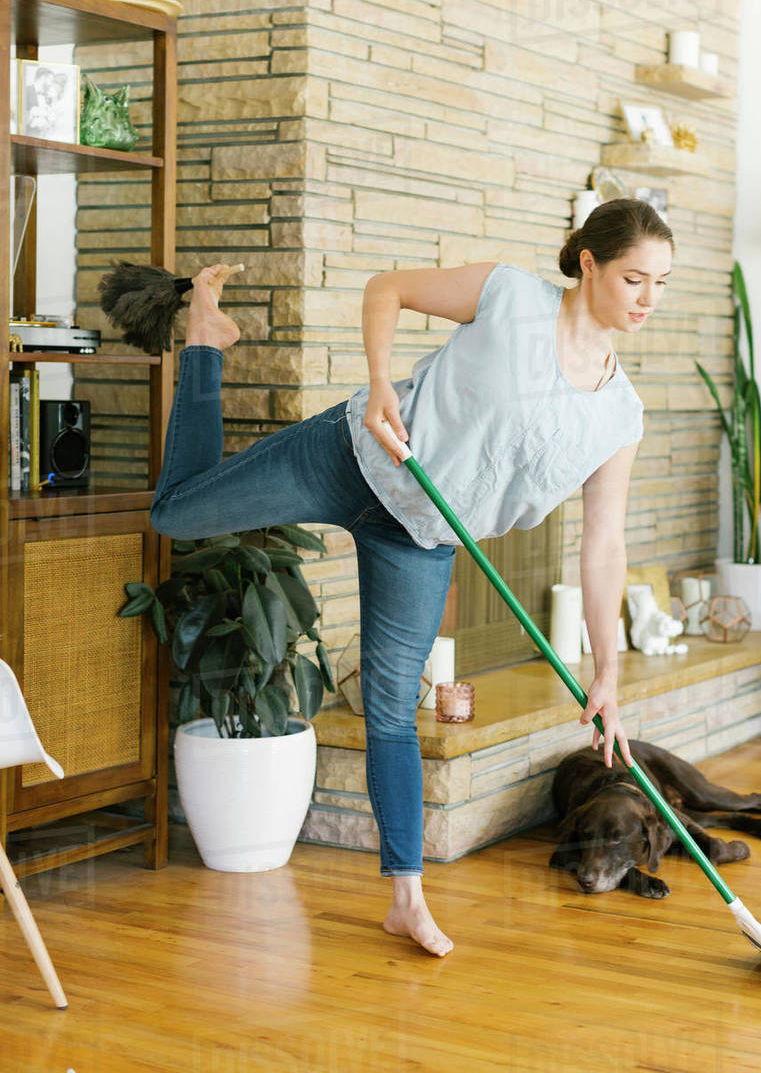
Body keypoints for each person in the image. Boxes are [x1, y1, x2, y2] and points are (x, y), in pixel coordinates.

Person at [149, 196, 674, 957]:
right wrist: (382, 382)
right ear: (589, 264)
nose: (648, 300)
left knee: (393, 709)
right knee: (174, 516)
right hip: (350, 457)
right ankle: (205, 341)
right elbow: (387, 288)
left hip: (421, 539)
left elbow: (603, 547)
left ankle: (406, 898)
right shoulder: (508, 295)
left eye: (661, 284)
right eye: (634, 279)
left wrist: (608, 672)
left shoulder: (619, 416)